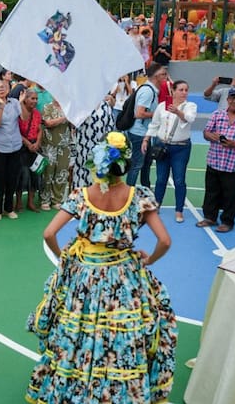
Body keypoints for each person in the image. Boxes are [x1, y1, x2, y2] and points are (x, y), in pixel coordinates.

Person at [26, 131, 177, 404]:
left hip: (84, 275)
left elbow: (49, 233)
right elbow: (165, 241)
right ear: (127, 165)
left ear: (98, 165)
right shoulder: (139, 196)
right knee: (121, 335)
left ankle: (75, 388)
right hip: (124, 276)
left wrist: (64, 257)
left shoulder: (81, 195)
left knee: (78, 333)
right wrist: (149, 260)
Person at [196, 87, 235, 233]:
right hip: (215, 160)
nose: (234, 101)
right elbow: (206, 132)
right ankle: (210, 217)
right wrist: (211, 136)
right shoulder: (217, 114)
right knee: (211, 192)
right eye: (232, 98)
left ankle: (227, 221)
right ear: (227, 99)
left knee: (232, 194)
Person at [142, 80, 197, 223]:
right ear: (173, 91)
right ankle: (157, 205)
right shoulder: (162, 106)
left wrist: (177, 111)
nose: (184, 93)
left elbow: (190, 118)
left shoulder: (190, 106)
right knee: (161, 179)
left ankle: (179, 210)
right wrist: (146, 139)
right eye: (181, 90)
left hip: (181, 148)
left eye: (186, 90)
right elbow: (154, 124)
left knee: (179, 180)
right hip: (162, 146)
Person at [0, 79, 22, 220]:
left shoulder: (15, 102)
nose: (1, 89)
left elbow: (24, 118)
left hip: (15, 145)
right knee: (0, 178)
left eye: (3, 87)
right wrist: (1, 106)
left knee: (12, 178)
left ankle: (9, 208)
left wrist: (22, 103)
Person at [127, 62, 167, 187]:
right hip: (139, 133)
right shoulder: (148, 91)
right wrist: (157, 114)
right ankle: (129, 191)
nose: (165, 77)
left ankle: (145, 188)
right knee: (137, 164)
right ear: (156, 76)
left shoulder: (150, 89)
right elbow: (139, 113)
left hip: (145, 132)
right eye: (163, 74)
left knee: (146, 163)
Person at [70, 97, 116, 190]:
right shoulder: (81, 105)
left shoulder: (106, 107)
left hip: (100, 148)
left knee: (97, 173)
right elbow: (72, 125)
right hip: (83, 148)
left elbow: (110, 129)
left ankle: (96, 195)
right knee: (81, 174)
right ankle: (79, 195)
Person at [39, 98, 70, 211]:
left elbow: (74, 123)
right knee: (48, 172)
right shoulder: (48, 107)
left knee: (62, 172)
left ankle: (57, 199)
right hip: (49, 144)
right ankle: (45, 199)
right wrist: (64, 118)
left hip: (65, 144)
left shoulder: (68, 107)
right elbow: (48, 123)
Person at [16, 89, 42, 213]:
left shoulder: (37, 113)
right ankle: (19, 201)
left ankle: (31, 202)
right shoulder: (19, 113)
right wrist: (27, 143)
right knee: (22, 175)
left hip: (34, 146)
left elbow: (40, 129)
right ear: (25, 99)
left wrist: (37, 143)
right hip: (22, 147)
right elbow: (15, 131)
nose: (35, 101)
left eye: (36, 99)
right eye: (32, 98)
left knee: (35, 174)